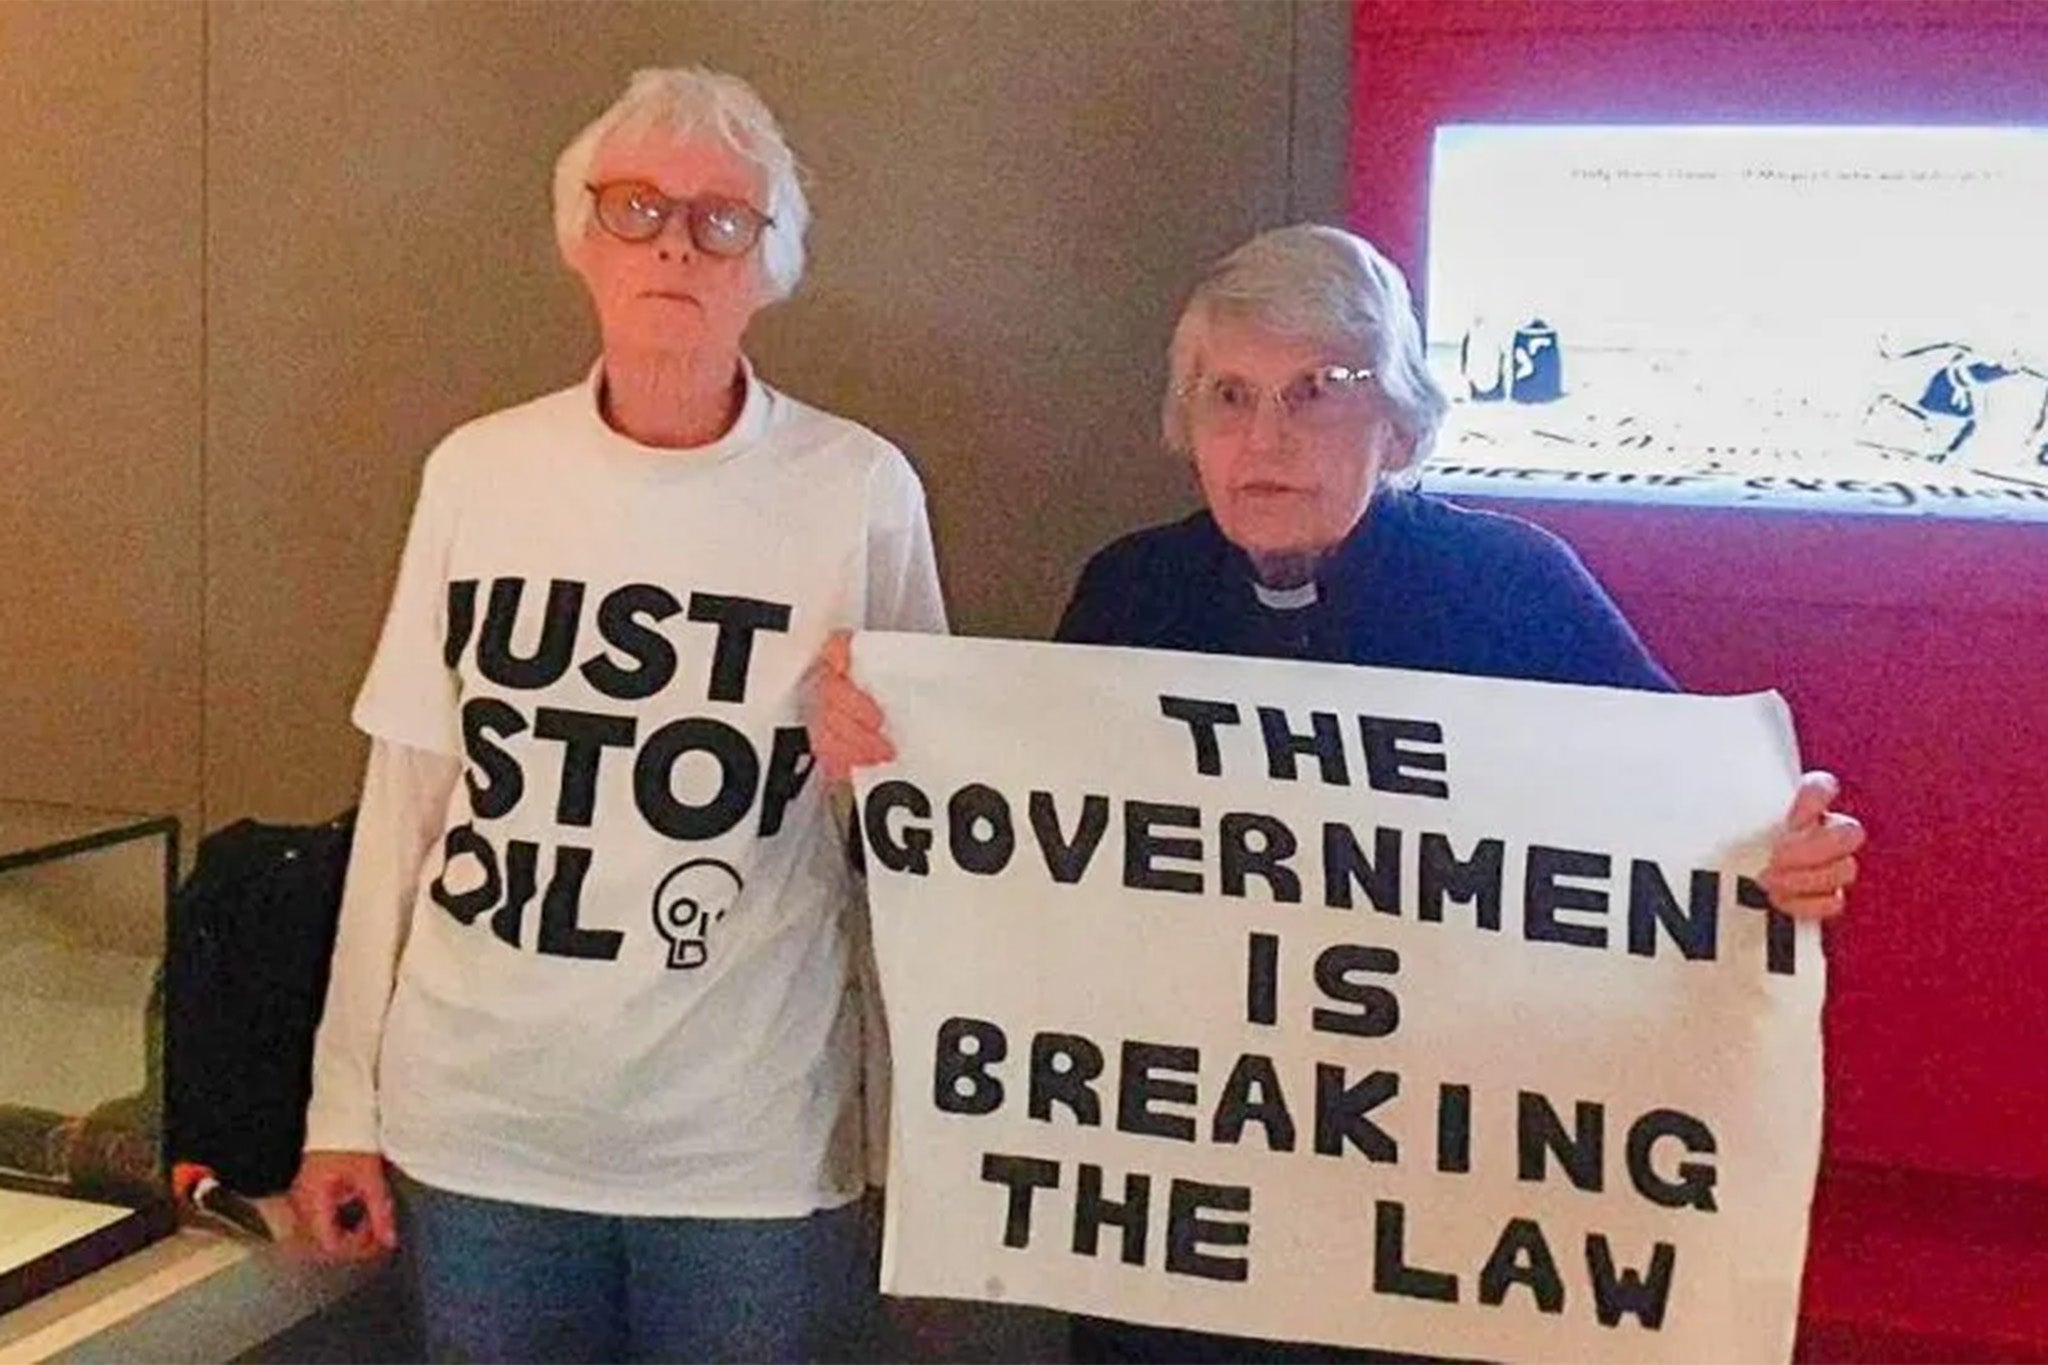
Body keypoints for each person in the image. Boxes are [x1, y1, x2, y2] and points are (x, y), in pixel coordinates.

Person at [807, 224, 1864, 1363]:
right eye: (1228, 396)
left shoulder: (1512, 587)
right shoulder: (1133, 590)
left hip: (1430, 1233)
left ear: (1397, 421)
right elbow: (1020, 868)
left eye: (1317, 392)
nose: (1265, 437)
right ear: (1186, 425)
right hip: (1184, 1225)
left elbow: (1687, 838)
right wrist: (883, 770)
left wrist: (1779, 856)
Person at [288, 66, 946, 1364]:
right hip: (480, 1127)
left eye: (721, 220)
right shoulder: (479, 472)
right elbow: (406, 804)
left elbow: (929, 830)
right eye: (635, 207)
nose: (673, 244)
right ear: (580, 241)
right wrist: (338, 1104)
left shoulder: (858, 488)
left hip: (748, 1143)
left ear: (772, 264)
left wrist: (872, 761)